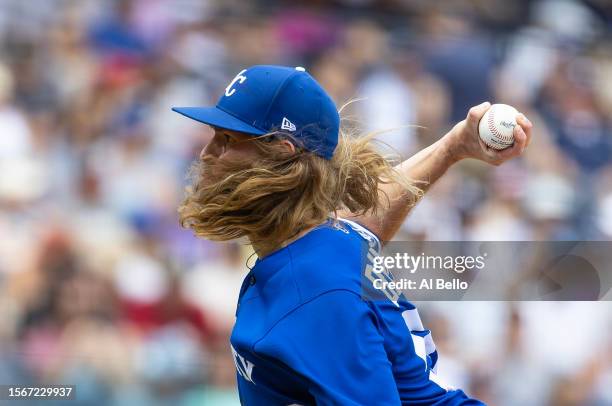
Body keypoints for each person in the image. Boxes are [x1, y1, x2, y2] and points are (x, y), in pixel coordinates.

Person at [172, 65, 532, 405]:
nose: (207, 154)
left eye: (227, 138)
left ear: (280, 156)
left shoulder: (314, 294)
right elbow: (368, 219)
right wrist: (452, 147)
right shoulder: (326, 242)